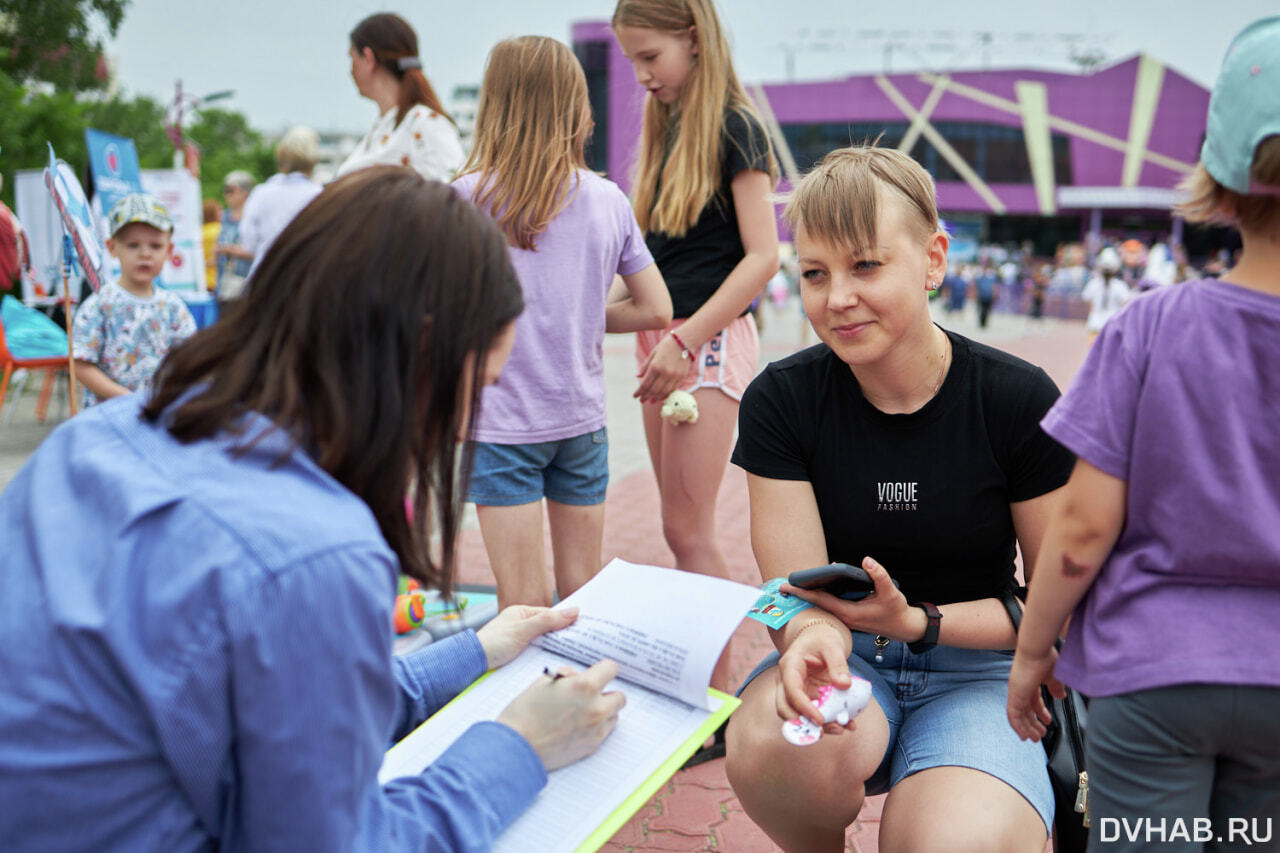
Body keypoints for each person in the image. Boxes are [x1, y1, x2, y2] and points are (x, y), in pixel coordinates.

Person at [0, 169, 627, 850]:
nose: (468, 424)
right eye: (477, 389)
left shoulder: (99, 436)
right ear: (415, 356)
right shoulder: (314, 551)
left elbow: (275, 698)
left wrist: (476, 650)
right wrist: (520, 745)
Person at [723, 146, 1075, 852]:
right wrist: (811, 642)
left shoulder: (1016, 397)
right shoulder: (782, 400)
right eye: (815, 273)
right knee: (774, 743)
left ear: (934, 258)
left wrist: (918, 620)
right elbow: (795, 590)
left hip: (983, 673)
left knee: (950, 840)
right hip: (846, 654)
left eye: (866, 265)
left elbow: (1059, 612)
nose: (837, 297)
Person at [1008, 16, 1280, 843]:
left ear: (1221, 173)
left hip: (1151, 673)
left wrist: (1032, 653)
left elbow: (1083, 530)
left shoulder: (1151, 325)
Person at [453, 35, 671, 609]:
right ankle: (584, 697)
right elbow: (656, 308)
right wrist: (580, 317)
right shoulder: (607, 200)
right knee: (584, 595)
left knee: (519, 604)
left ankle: (527, 702)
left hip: (500, 425)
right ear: (576, 104)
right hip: (580, 420)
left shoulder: (462, 200)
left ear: (494, 103)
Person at [612, 0, 779, 697]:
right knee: (680, 527)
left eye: (650, 57)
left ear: (693, 40)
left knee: (691, 530)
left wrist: (683, 337)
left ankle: (717, 695)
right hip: (670, 339)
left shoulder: (735, 125)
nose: (642, 75)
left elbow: (764, 258)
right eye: (632, 62)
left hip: (702, 341)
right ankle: (714, 685)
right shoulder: (668, 132)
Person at [70, 194, 197, 406]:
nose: (145, 254)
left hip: (157, 416)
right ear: (111, 247)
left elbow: (189, 358)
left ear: (169, 251)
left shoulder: (174, 308)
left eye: (155, 246)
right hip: (108, 420)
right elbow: (80, 363)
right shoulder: (100, 304)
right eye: (133, 245)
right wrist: (126, 399)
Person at [336, 13, 464, 182]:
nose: (350, 71)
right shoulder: (388, 126)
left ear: (368, 58)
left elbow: (455, 194)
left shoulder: (425, 124)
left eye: (352, 58)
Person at [240, 126, 322, 269]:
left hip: (264, 276)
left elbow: (248, 242)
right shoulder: (319, 195)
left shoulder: (261, 193)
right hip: (304, 276)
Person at [214, 170, 255, 301]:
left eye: (231, 190)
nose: (227, 195)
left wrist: (230, 249)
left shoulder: (253, 217)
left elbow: (259, 250)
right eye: (226, 190)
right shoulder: (224, 216)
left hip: (246, 284)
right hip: (223, 284)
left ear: (245, 192)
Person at [1080, 246, 1131, 339]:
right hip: (1113, 325)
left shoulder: (1093, 284)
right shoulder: (1120, 286)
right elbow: (1125, 306)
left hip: (1095, 324)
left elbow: (1088, 303)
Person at [201, 197, 221, 292]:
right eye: (219, 210)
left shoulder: (199, 232)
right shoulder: (219, 230)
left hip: (202, 280)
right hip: (216, 280)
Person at [974, 260, 999, 328]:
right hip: (981, 295)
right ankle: (981, 322)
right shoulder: (979, 277)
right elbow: (976, 287)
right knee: (982, 309)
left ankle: (985, 322)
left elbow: (994, 286)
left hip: (989, 296)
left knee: (987, 310)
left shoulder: (992, 277)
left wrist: (995, 294)